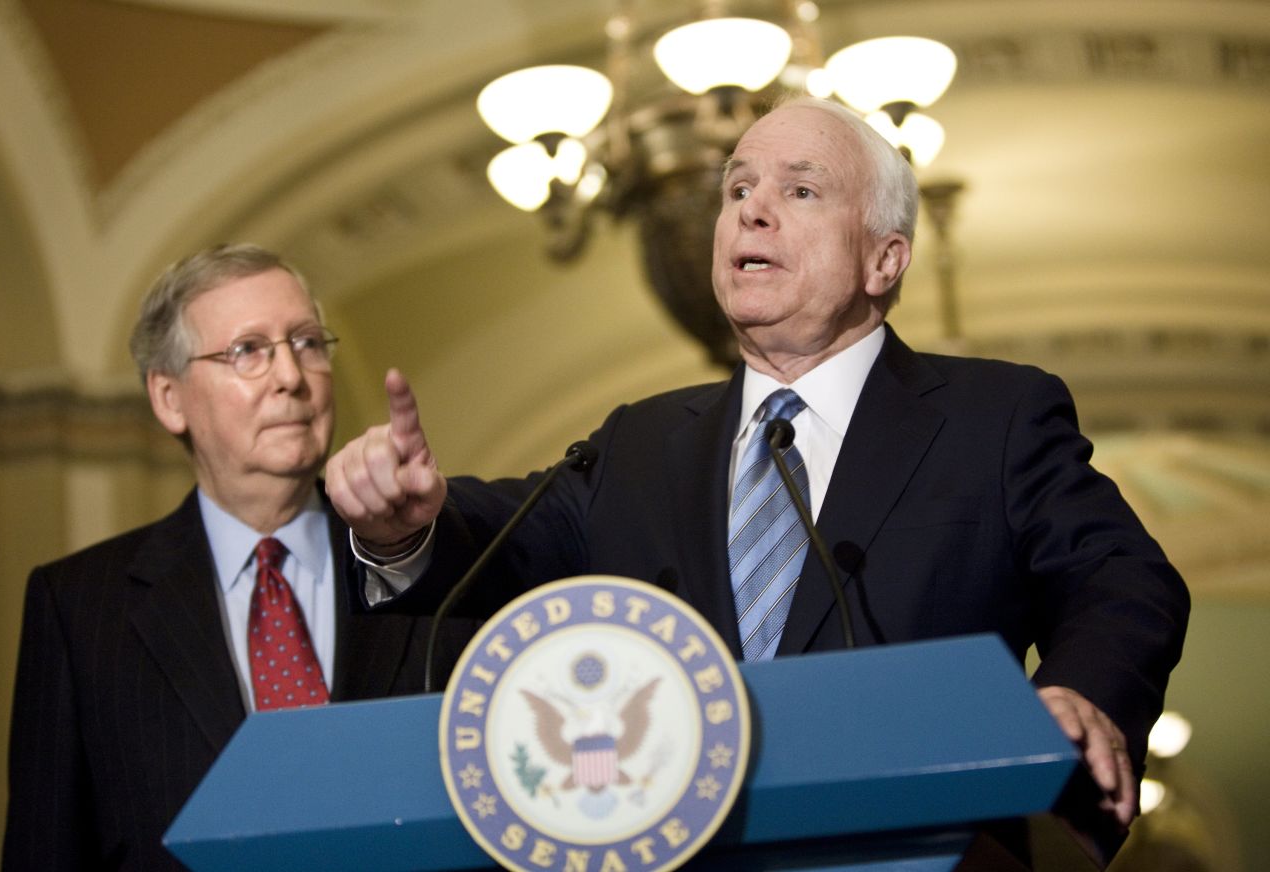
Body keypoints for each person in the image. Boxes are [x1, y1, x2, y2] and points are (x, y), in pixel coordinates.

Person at [325, 98, 1189, 861]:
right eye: (737, 190)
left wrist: (1079, 693)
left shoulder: (992, 418)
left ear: (883, 261)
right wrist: (408, 521)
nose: (751, 213)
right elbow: (506, 534)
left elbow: (1122, 577)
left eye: (800, 191)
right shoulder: (641, 440)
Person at [2, 244, 473, 872]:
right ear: (169, 398)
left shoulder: (421, 559)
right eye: (248, 350)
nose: (290, 377)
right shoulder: (80, 606)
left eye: (306, 342)